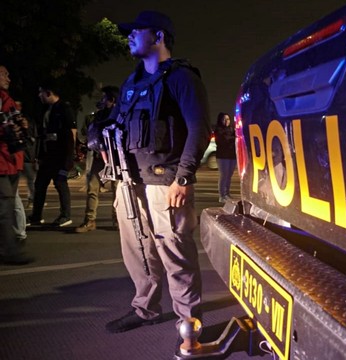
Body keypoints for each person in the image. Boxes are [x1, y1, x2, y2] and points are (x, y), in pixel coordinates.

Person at [99, 11, 211, 337]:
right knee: (138, 251)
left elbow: (198, 129)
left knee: (175, 251)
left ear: (159, 36)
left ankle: (190, 323)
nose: (130, 36)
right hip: (128, 179)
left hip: (165, 181)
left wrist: (184, 177)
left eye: (137, 31)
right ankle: (145, 309)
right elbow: (117, 123)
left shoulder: (181, 78)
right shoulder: (131, 82)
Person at [28, 80, 76, 227]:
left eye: (41, 92)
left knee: (60, 183)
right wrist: (39, 156)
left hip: (59, 154)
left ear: (48, 92)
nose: (39, 95)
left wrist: (69, 158)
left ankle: (65, 215)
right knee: (40, 184)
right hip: (48, 155)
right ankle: (36, 216)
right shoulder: (46, 109)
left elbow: (71, 133)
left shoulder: (64, 108)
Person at [74, 86, 119, 233]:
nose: (102, 100)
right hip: (100, 156)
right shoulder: (99, 115)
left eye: (104, 97)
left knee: (118, 191)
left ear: (112, 100)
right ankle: (89, 220)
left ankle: (118, 220)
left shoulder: (120, 114)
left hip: (117, 158)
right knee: (92, 188)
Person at [0, 65, 32, 265]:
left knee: (7, 207)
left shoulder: (6, 98)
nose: (8, 78)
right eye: (4, 74)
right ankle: (9, 251)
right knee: (4, 209)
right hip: (3, 162)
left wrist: (20, 125)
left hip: (10, 161)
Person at [213, 112, 236, 202]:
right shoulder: (218, 130)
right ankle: (222, 195)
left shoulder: (231, 129)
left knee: (229, 176)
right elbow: (224, 140)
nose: (227, 121)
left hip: (232, 156)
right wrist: (234, 138)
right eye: (225, 119)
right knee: (224, 175)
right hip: (223, 156)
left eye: (228, 119)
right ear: (221, 120)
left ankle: (227, 193)